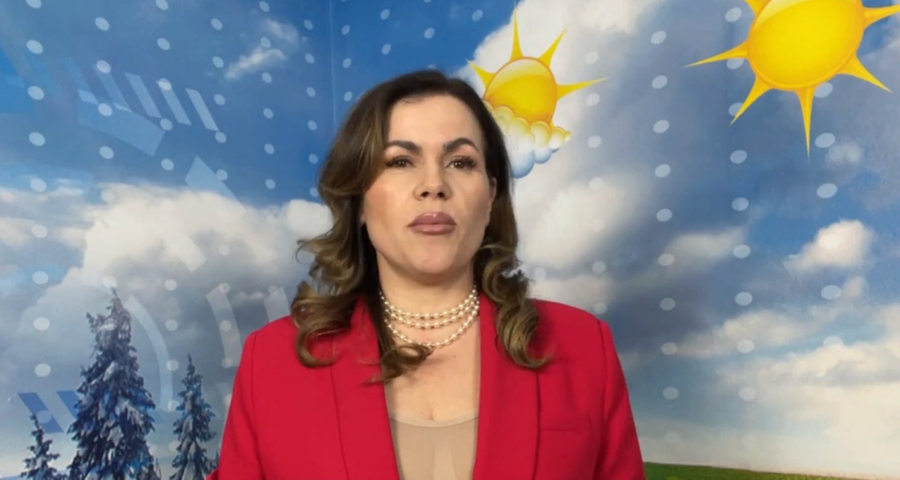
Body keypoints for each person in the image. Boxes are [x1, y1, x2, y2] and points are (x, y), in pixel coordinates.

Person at [208, 69, 645, 480]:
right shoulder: (272, 363)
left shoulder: (585, 348)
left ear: (490, 196)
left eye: (461, 162)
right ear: (359, 199)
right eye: (400, 161)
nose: (433, 184)